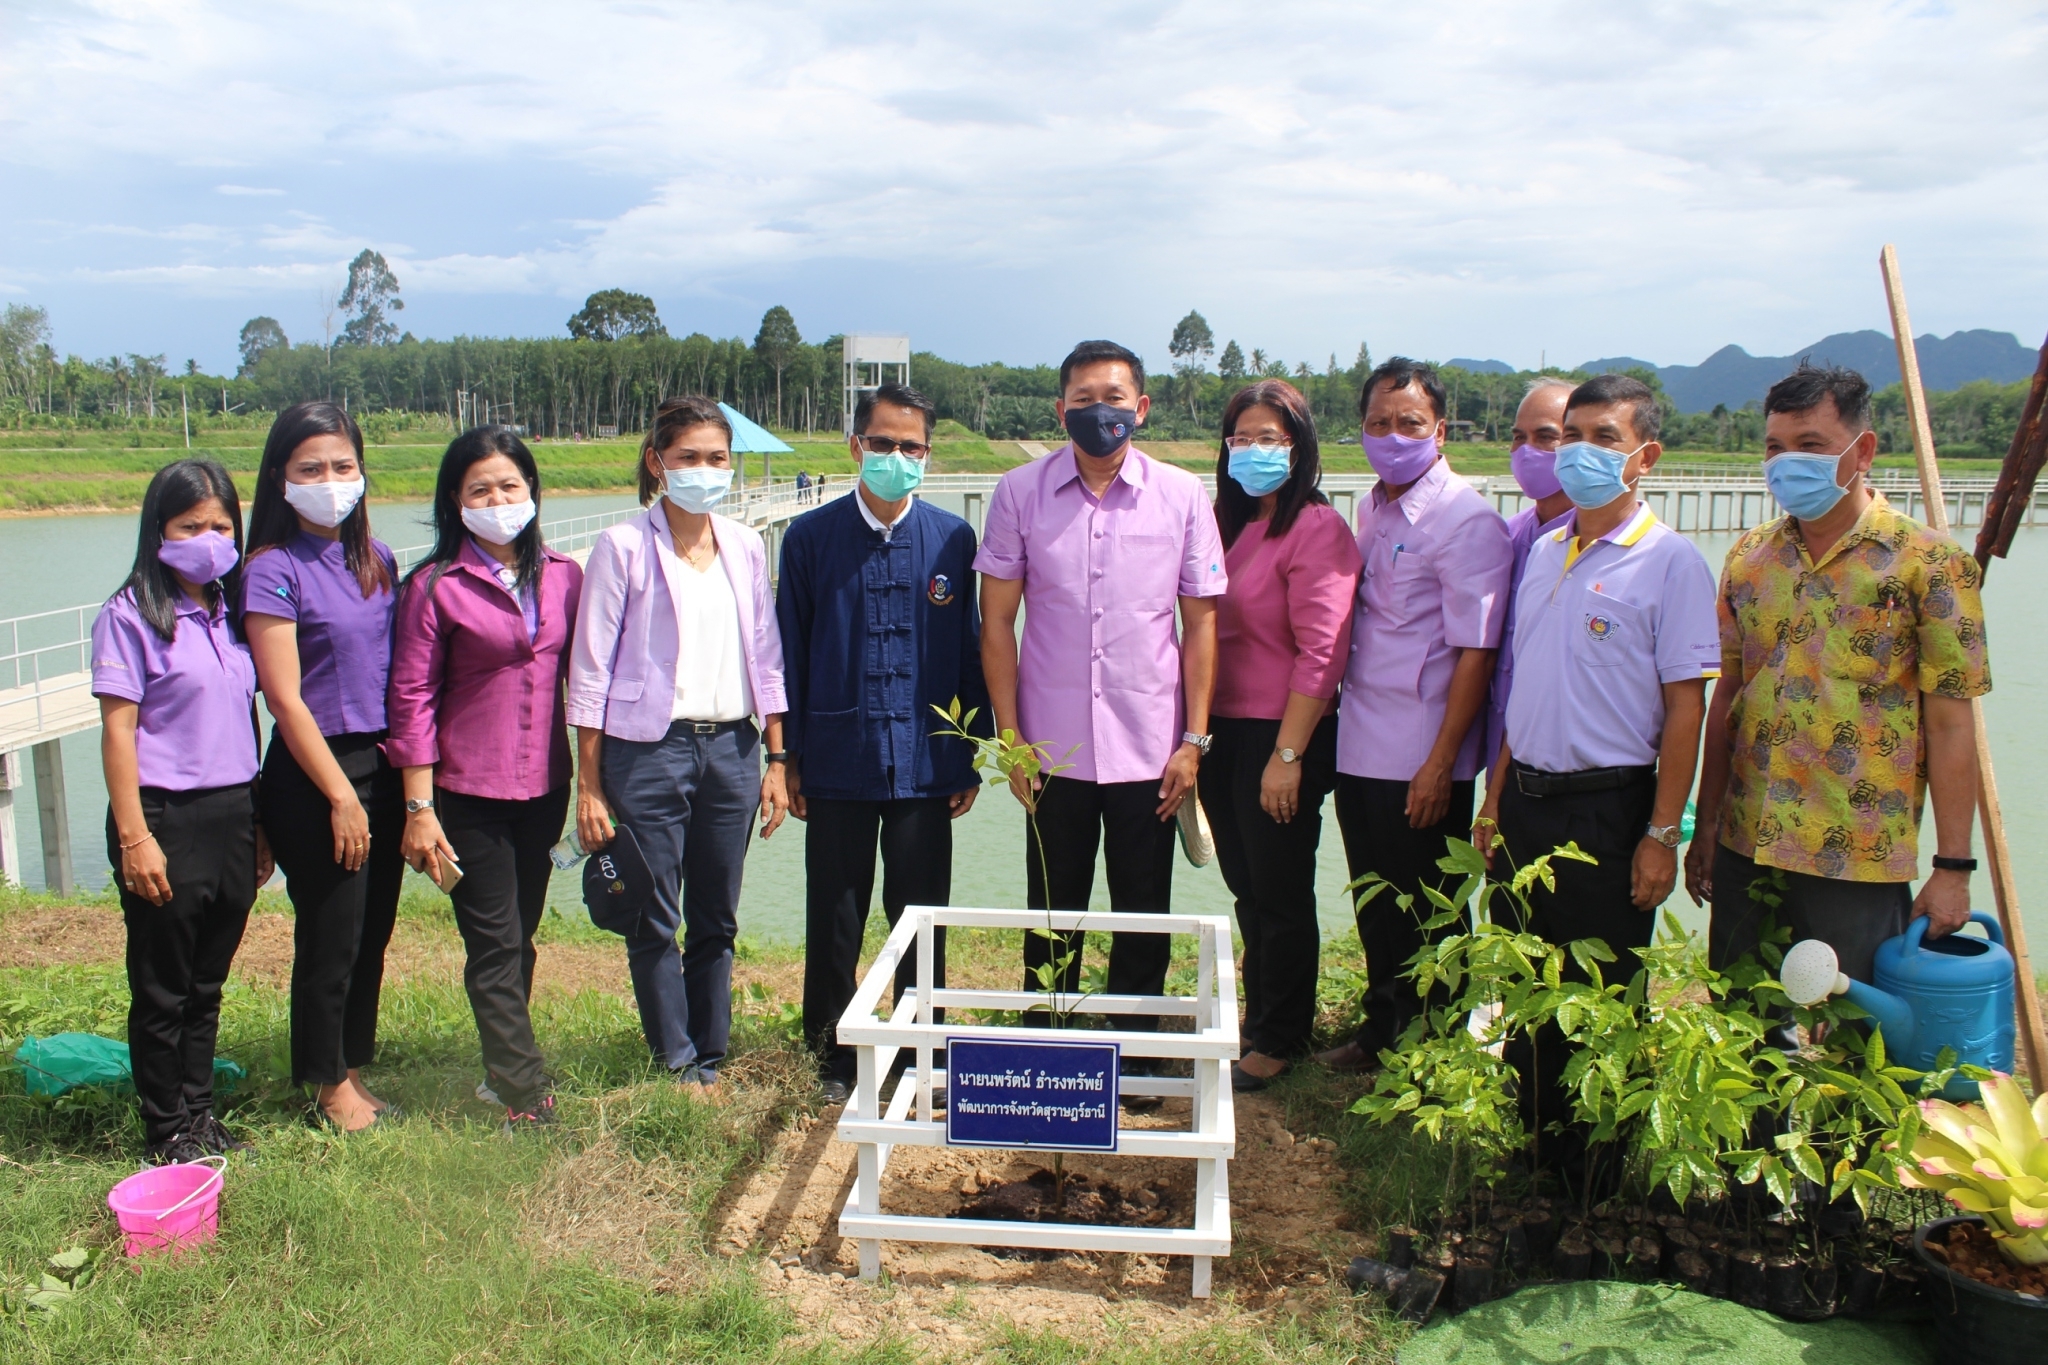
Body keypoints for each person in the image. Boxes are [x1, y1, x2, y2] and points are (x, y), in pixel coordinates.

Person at [1474, 373, 1719, 1181]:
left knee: (1601, 992)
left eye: (1604, 437)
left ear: (1645, 456)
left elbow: (1685, 710)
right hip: (1526, 802)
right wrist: (1495, 796)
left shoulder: (1670, 563)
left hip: (1607, 809)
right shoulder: (1546, 551)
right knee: (1524, 976)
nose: (1580, 451)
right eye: (1571, 434)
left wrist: (1661, 833)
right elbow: (1525, 685)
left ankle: (1596, 1174)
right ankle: (1532, 1146)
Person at [976, 339, 1226, 1101]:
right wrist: (1011, 739)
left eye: (1114, 398)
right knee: (1053, 905)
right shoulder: (1019, 492)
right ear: (1061, 410)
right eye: (1083, 399)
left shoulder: (1181, 495)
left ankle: (1138, 1054)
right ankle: (1048, 1049)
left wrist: (1193, 741)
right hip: (1051, 747)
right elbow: (997, 624)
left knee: (1143, 906)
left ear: (1141, 407)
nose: (1099, 412)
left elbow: (1200, 625)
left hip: (1151, 746)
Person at [1686, 364, 1991, 979]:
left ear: (1864, 451)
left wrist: (1953, 867)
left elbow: (1953, 726)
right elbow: (1729, 697)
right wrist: (1707, 822)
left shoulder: (1930, 565)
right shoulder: (1750, 558)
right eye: (1775, 447)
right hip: (1747, 838)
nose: (1787, 462)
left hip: (1856, 852)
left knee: (1856, 1020)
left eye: (1810, 445)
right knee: (1741, 1017)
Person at [568, 396, 790, 1097]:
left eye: (717, 458)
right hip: (648, 750)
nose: (705, 469)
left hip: (732, 750)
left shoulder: (745, 545)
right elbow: (590, 670)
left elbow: (766, 656)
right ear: (657, 462)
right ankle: (674, 1058)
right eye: (688, 457)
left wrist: (777, 758)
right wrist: (588, 783)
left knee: (717, 914)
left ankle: (711, 1054)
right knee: (654, 913)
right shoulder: (622, 547)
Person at [778, 382, 990, 1104]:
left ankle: (921, 1050)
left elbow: (970, 650)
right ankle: (831, 1056)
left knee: (921, 916)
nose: (897, 457)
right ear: (855, 447)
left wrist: (968, 753)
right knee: (835, 916)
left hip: (926, 762)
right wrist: (790, 756)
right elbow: (789, 654)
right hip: (837, 758)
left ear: (928, 454)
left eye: (911, 447)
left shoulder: (953, 539)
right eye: (883, 443)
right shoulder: (809, 539)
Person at [1316, 358, 1512, 1075]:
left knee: (1429, 907)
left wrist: (1442, 762)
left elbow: (1476, 653)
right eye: (1378, 423)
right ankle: (1381, 1029)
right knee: (1377, 900)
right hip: (1362, 742)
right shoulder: (1373, 508)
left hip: (1422, 752)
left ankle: (1432, 1048)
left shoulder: (1466, 520)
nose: (1392, 436)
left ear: (1440, 430)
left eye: (1410, 423)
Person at [387, 427, 583, 1130]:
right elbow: (411, 699)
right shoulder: (434, 586)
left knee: (519, 936)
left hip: (545, 788)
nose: (498, 501)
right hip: (468, 792)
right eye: (481, 490)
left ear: (532, 491)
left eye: (510, 486)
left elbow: (587, 680)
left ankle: (501, 1070)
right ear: (455, 500)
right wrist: (418, 806)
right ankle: (526, 1095)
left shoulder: (565, 575)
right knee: (493, 943)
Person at [93, 458, 272, 1164]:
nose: (209, 540)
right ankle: (165, 1128)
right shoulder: (130, 615)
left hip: (233, 811)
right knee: (163, 987)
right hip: (164, 815)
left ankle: (200, 1113)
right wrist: (134, 836)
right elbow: (118, 732)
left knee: (207, 981)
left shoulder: (231, 613)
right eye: (190, 526)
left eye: (222, 526)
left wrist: (258, 822)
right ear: (158, 531)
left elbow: (245, 717)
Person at [243, 402, 403, 1133]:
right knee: (331, 934)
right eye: (311, 469)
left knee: (371, 930)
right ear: (281, 478)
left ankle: (351, 1065)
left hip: (382, 762)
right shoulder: (271, 569)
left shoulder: (378, 560)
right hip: (317, 772)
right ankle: (324, 1082)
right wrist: (340, 795)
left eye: (343, 466)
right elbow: (284, 697)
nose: (330, 481)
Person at [1199, 381, 1360, 1092]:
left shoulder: (1316, 529)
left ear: (1298, 447)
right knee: (1247, 887)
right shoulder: (1228, 523)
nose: (1252, 450)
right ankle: (1261, 1015)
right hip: (1223, 732)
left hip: (1281, 733)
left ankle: (1281, 1033)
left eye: (1269, 438)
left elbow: (1323, 652)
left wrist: (1288, 755)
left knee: (1281, 889)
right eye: (1241, 438)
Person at [1484, 378, 1579, 771]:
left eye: (1545, 437)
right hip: (1497, 753)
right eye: (1518, 437)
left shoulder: (1597, 546)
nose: (1526, 451)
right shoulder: (1507, 535)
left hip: (1563, 764)